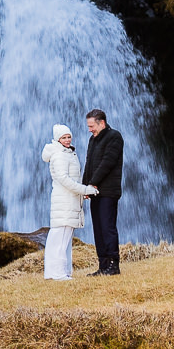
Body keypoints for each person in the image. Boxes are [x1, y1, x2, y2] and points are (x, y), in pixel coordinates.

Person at [41, 124, 96, 279]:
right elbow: (64, 179)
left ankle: (61, 272)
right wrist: (85, 189)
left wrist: (82, 190)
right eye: (63, 137)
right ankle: (56, 274)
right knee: (60, 235)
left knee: (64, 236)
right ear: (57, 139)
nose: (67, 140)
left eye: (68, 137)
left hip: (69, 199)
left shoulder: (67, 153)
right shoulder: (59, 155)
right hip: (64, 200)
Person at [82, 108, 125, 276]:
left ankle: (114, 265)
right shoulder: (93, 140)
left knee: (108, 227)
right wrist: (85, 187)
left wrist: (92, 183)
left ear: (102, 123)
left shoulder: (114, 136)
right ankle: (103, 265)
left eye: (92, 126)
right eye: (88, 126)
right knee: (98, 229)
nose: (90, 129)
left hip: (108, 191)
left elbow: (107, 163)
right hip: (95, 191)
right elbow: (89, 164)